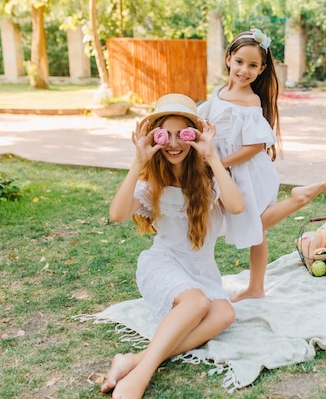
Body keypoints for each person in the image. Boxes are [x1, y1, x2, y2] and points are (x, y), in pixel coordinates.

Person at [101, 94, 245, 399]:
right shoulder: (152, 181)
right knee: (197, 303)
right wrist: (138, 160)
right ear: (155, 137)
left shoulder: (208, 177)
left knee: (224, 315)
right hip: (163, 264)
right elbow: (116, 214)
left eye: (185, 134)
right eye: (166, 134)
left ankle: (134, 360)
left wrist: (213, 156)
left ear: (196, 136)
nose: (175, 143)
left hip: (201, 272)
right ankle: (140, 376)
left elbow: (236, 206)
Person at [198, 28, 326, 302]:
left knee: (253, 223)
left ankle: (298, 200)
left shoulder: (250, 101)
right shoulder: (219, 92)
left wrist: (219, 163)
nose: (244, 70)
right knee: (254, 229)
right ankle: (256, 287)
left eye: (253, 65)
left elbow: (255, 145)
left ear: (262, 69)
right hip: (224, 169)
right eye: (240, 62)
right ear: (228, 58)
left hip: (245, 169)